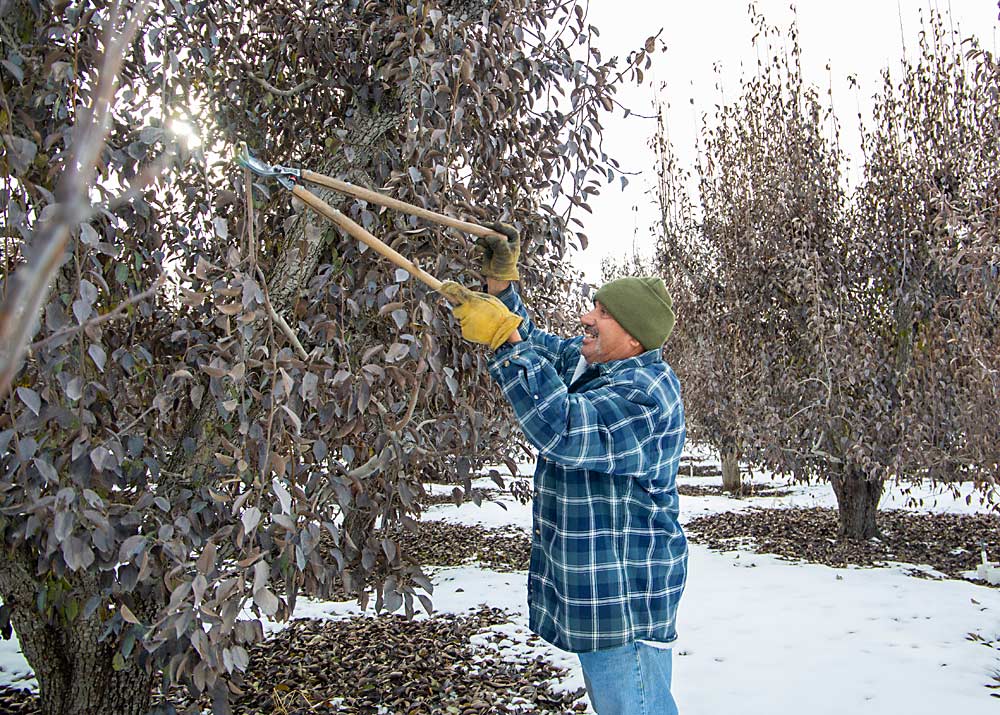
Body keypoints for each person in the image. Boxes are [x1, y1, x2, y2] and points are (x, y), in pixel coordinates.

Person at [439, 224, 688, 715]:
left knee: (633, 704)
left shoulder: (648, 394)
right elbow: (536, 346)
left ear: (634, 337)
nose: (585, 318)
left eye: (601, 314)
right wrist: (501, 290)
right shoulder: (597, 365)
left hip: (626, 596)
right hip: (604, 593)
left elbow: (565, 429)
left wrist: (502, 340)